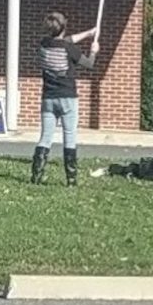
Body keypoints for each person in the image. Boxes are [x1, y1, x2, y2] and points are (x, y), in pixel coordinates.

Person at [32, 12, 98, 186]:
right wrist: (93, 51)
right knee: (69, 136)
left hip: (48, 98)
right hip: (68, 97)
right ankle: (71, 179)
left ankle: (36, 176)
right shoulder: (69, 49)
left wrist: (89, 33)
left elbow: (66, 40)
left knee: (45, 137)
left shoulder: (44, 45)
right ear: (64, 27)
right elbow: (89, 64)